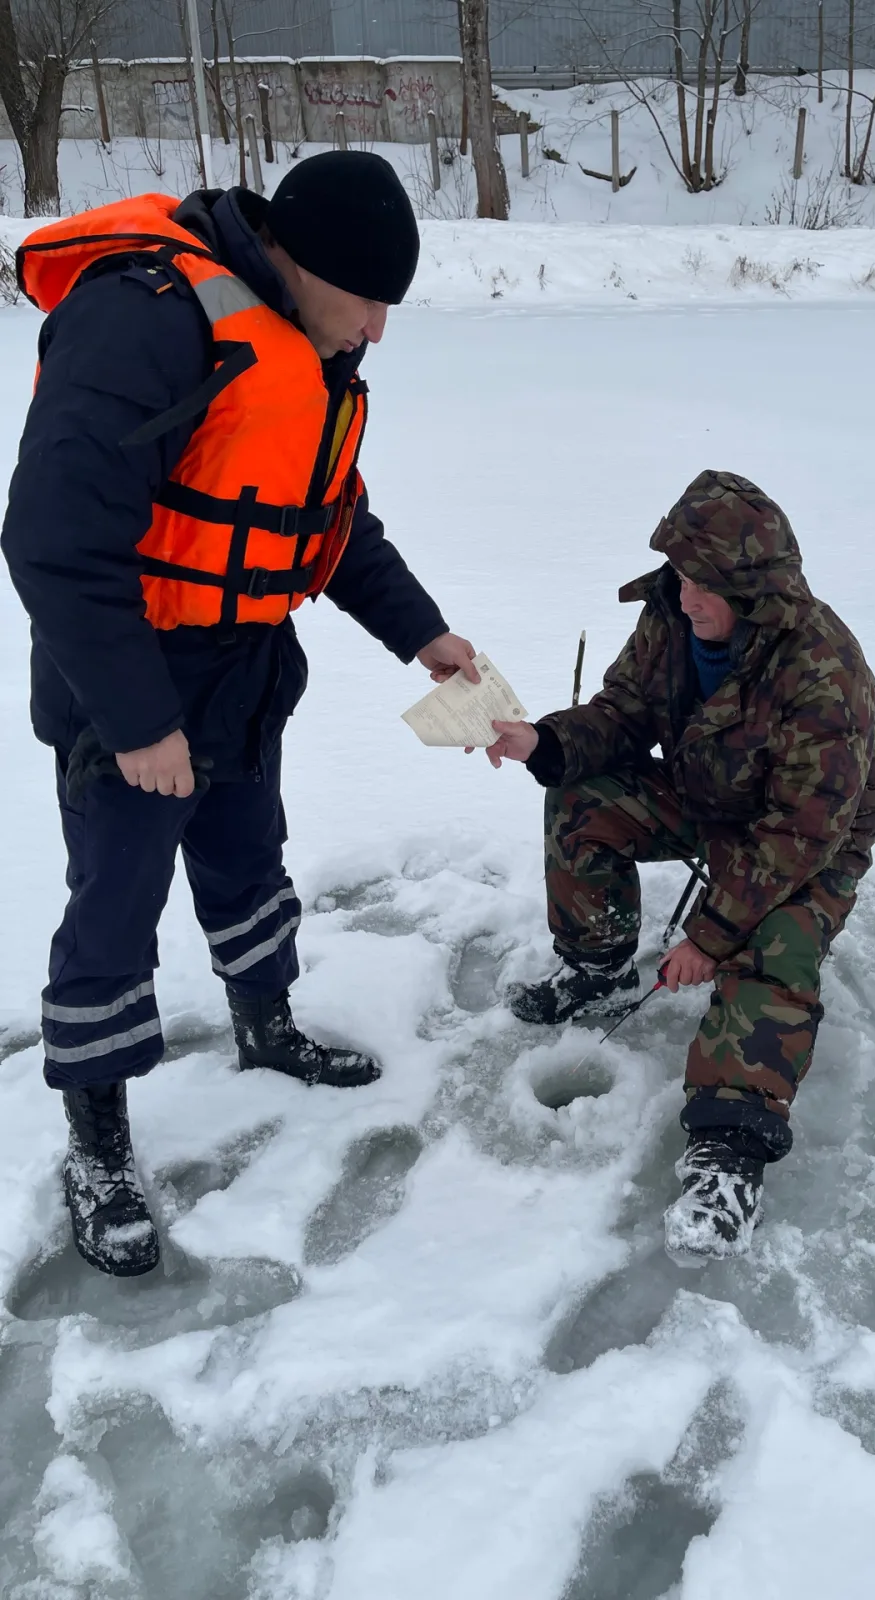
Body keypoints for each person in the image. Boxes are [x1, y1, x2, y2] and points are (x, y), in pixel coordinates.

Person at [1, 153, 477, 1278]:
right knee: (114, 900)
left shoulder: (311, 338)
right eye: (368, 298)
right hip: (131, 669)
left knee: (246, 855)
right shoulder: (146, 320)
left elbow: (319, 516)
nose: (378, 328)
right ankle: (98, 1135)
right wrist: (134, 720)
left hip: (243, 666)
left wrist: (424, 633)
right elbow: (53, 538)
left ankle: (265, 1024)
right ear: (299, 260)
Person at [483, 470, 875, 1264]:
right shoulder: (672, 614)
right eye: (682, 576)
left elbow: (799, 833)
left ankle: (728, 1157)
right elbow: (625, 713)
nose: (688, 595)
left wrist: (710, 934)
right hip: (712, 793)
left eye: (706, 584)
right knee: (582, 798)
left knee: (775, 942)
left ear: (753, 591)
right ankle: (596, 965)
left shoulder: (824, 673)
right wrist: (547, 743)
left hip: (812, 834)